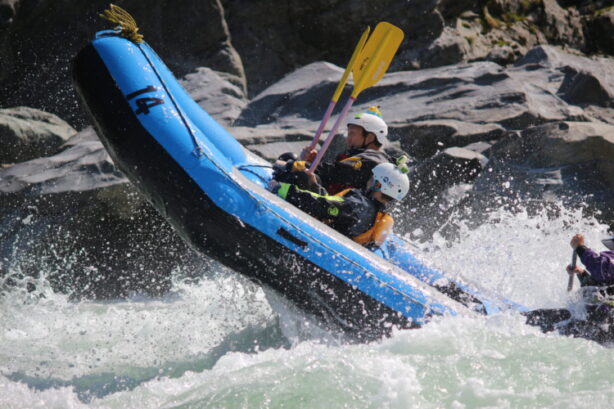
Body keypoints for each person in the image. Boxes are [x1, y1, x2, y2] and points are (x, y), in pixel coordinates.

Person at [271, 162, 410, 248]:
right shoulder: (372, 210)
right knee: (306, 181)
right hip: (331, 237)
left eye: (372, 178)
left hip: (316, 244)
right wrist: (315, 186)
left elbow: (321, 205)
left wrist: (284, 189)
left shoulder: (359, 206)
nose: (368, 180)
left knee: (299, 179)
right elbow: (332, 206)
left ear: (378, 185)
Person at [277, 106, 393, 195]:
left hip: (337, 209)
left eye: (352, 133)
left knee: (298, 170)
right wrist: (312, 162)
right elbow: (335, 175)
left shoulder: (372, 160)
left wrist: (299, 165)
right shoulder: (360, 155)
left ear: (370, 137)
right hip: (330, 197)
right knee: (289, 158)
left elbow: (336, 172)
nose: (348, 138)